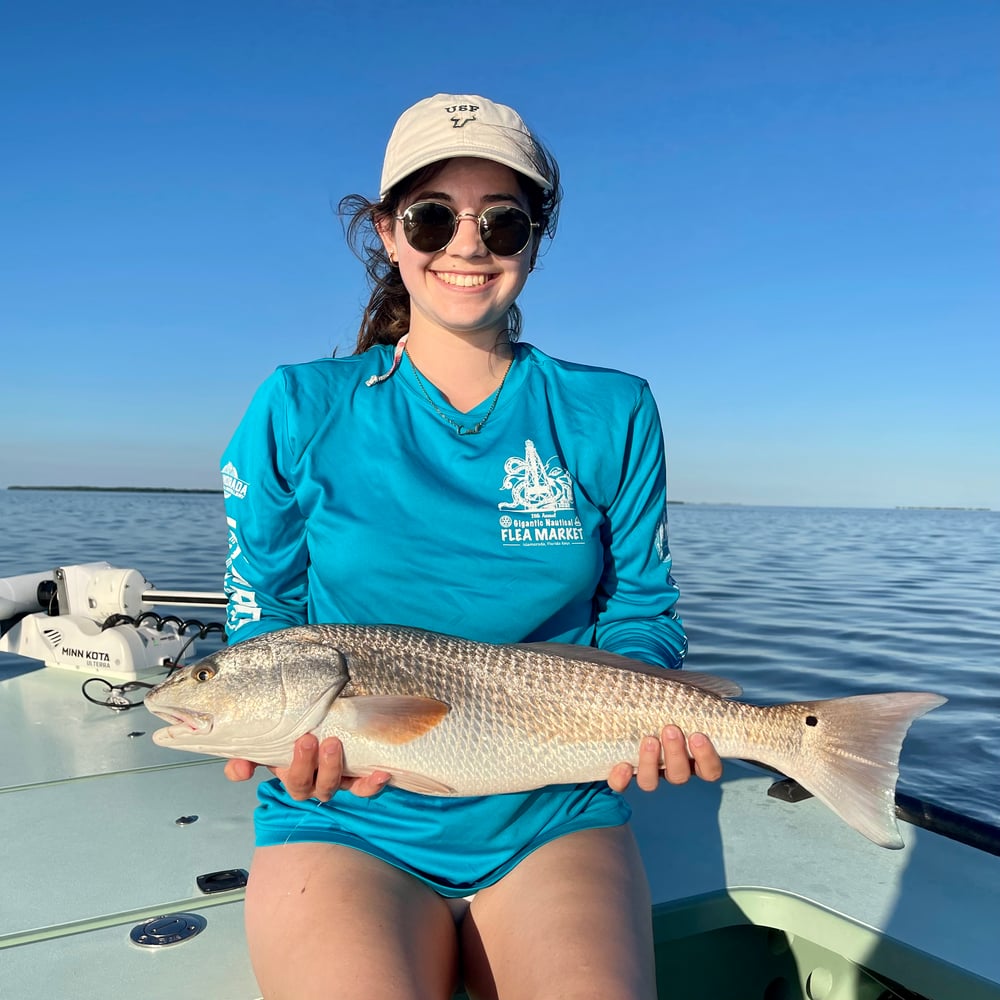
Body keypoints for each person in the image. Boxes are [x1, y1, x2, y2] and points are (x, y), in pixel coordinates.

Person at [221, 93, 723, 1000]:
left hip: (555, 811)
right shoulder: (298, 406)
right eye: (432, 217)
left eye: (503, 221)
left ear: (534, 239)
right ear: (388, 232)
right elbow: (265, 609)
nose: (467, 243)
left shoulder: (612, 411)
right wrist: (281, 734)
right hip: (343, 818)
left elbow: (641, 611)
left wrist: (659, 712)